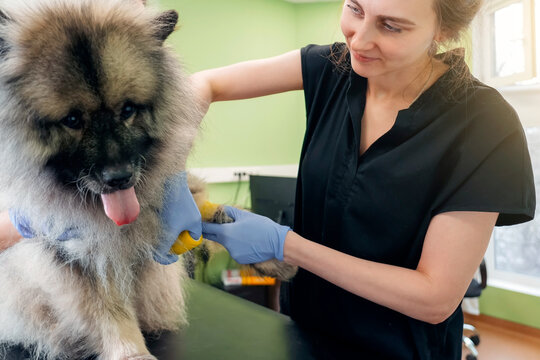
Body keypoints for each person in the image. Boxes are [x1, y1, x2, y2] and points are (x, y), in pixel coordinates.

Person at [1, 0, 535, 358]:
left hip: (400, 348)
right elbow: (202, 85)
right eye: (354, 8)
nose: (360, 37)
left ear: (444, 31)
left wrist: (288, 246)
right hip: (304, 330)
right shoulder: (333, 67)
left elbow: (435, 297)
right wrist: (167, 175)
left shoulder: (485, 125)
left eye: (392, 25)